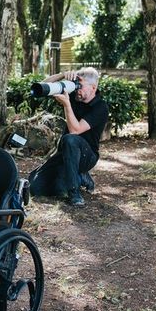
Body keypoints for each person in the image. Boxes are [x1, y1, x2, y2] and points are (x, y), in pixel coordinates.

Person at [29, 66, 109, 206]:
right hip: (65, 153)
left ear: (93, 87)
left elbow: (75, 130)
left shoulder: (100, 107)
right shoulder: (74, 95)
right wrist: (62, 75)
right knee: (34, 185)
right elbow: (44, 86)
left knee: (70, 139)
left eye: (81, 85)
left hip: (87, 156)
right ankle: (78, 176)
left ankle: (75, 193)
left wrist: (67, 105)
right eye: (76, 85)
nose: (77, 89)